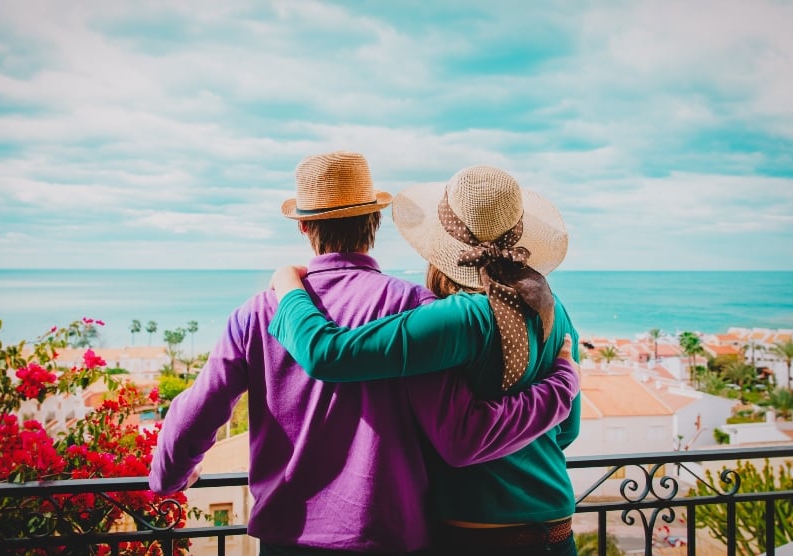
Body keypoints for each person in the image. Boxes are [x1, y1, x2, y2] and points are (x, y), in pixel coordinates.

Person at [149, 151, 581, 555]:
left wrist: (170, 475)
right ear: (375, 220)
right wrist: (561, 385)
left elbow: (203, 406)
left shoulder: (261, 311)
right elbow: (494, 429)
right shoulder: (421, 306)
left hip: (287, 537)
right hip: (393, 536)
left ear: (303, 226)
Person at [269, 165, 581, 555]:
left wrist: (288, 287)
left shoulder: (459, 317)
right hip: (557, 527)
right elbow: (567, 431)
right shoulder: (552, 307)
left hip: (477, 534)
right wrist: (562, 383)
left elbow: (327, 354)